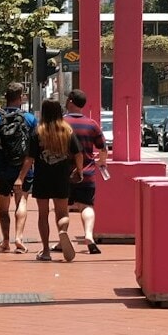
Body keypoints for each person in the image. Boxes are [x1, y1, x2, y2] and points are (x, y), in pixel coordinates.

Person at [22, 98, 84, 262]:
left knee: (43, 215)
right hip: (61, 177)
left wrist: (20, 178)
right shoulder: (67, 131)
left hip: (42, 178)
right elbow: (78, 154)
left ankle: (45, 250)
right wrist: (79, 170)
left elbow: (29, 159)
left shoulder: (38, 132)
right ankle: (62, 232)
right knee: (62, 212)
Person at [0, 82, 37, 253]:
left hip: (1, 168)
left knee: (3, 207)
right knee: (22, 202)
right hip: (23, 169)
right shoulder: (29, 119)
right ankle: (19, 238)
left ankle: (5, 240)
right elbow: (33, 148)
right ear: (20, 98)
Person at [62, 89, 109, 254]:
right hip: (87, 173)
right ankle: (88, 235)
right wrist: (101, 162)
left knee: (63, 208)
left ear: (71, 102)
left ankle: (63, 237)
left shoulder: (61, 123)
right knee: (86, 206)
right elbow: (103, 148)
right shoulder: (92, 124)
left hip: (64, 174)